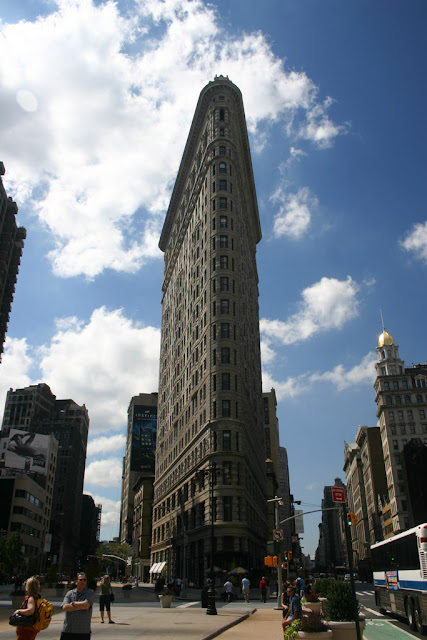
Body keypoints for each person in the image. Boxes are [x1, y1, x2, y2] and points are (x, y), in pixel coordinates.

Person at [61, 572, 94, 640]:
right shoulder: (70, 593)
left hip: (83, 632)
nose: (83, 582)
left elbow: (86, 605)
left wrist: (73, 604)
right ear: (76, 582)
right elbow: (65, 607)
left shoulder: (90, 593)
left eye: (85, 580)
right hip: (68, 631)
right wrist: (80, 606)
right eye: (81, 580)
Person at [13, 576, 40, 640]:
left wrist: (19, 611)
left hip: (26, 629)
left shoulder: (31, 599)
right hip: (30, 629)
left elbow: (30, 610)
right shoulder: (36, 598)